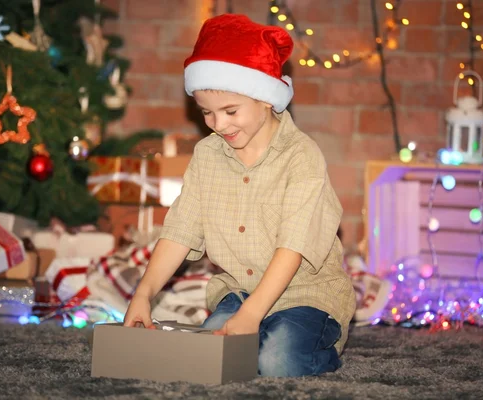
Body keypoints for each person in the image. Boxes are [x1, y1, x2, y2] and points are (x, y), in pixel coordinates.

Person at [123, 13, 355, 377]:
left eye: (230, 111)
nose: (218, 125)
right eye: (207, 113)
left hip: (305, 296)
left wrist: (252, 315)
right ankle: (256, 333)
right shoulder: (207, 155)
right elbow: (180, 230)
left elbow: (293, 247)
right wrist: (143, 293)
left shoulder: (301, 156)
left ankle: (320, 349)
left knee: (276, 362)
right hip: (238, 291)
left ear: (265, 98)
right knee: (209, 357)